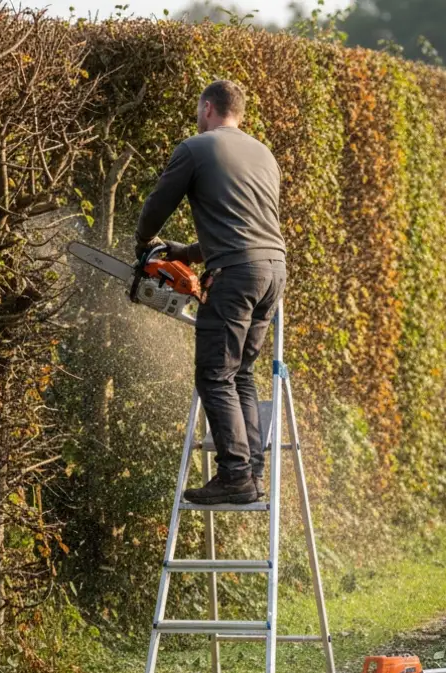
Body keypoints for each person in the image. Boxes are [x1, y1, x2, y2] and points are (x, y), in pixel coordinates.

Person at [134, 80, 286, 505]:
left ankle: (235, 474)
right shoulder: (263, 155)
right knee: (240, 373)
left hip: (237, 274)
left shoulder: (196, 148)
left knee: (214, 373)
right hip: (273, 271)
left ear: (207, 109)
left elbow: (159, 203)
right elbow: (246, 226)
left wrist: (143, 242)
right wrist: (186, 253)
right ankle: (251, 474)